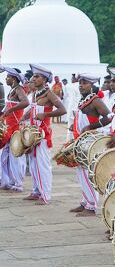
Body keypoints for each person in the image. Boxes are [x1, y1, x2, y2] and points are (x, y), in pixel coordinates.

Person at [22, 64, 66, 205]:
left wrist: (46, 114)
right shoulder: (36, 93)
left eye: (37, 76)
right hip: (33, 133)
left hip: (43, 134)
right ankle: (36, 191)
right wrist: (25, 117)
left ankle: (45, 194)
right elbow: (34, 110)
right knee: (34, 165)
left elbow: (63, 109)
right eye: (33, 76)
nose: (33, 78)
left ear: (45, 79)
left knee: (42, 165)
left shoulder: (49, 93)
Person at [69, 73, 111, 217]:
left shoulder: (96, 100)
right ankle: (85, 201)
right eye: (80, 82)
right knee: (80, 172)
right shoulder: (84, 99)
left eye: (85, 83)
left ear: (92, 85)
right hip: (81, 139)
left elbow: (109, 117)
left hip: (89, 141)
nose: (81, 85)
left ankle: (91, 205)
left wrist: (91, 126)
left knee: (87, 173)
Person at [0, 66, 29, 191]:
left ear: (14, 79)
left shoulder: (19, 90)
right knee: (5, 156)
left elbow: (26, 102)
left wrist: (11, 109)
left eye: (8, 77)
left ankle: (17, 183)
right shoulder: (13, 90)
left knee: (15, 156)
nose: (6, 79)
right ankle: (7, 181)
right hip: (8, 126)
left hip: (14, 127)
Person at [66, 73, 81, 141]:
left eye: (72, 78)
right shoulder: (75, 85)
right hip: (74, 106)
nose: (71, 80)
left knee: (72, 125)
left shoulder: (72, 86)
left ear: (76, 79)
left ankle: (70, 140)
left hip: (74, 107)